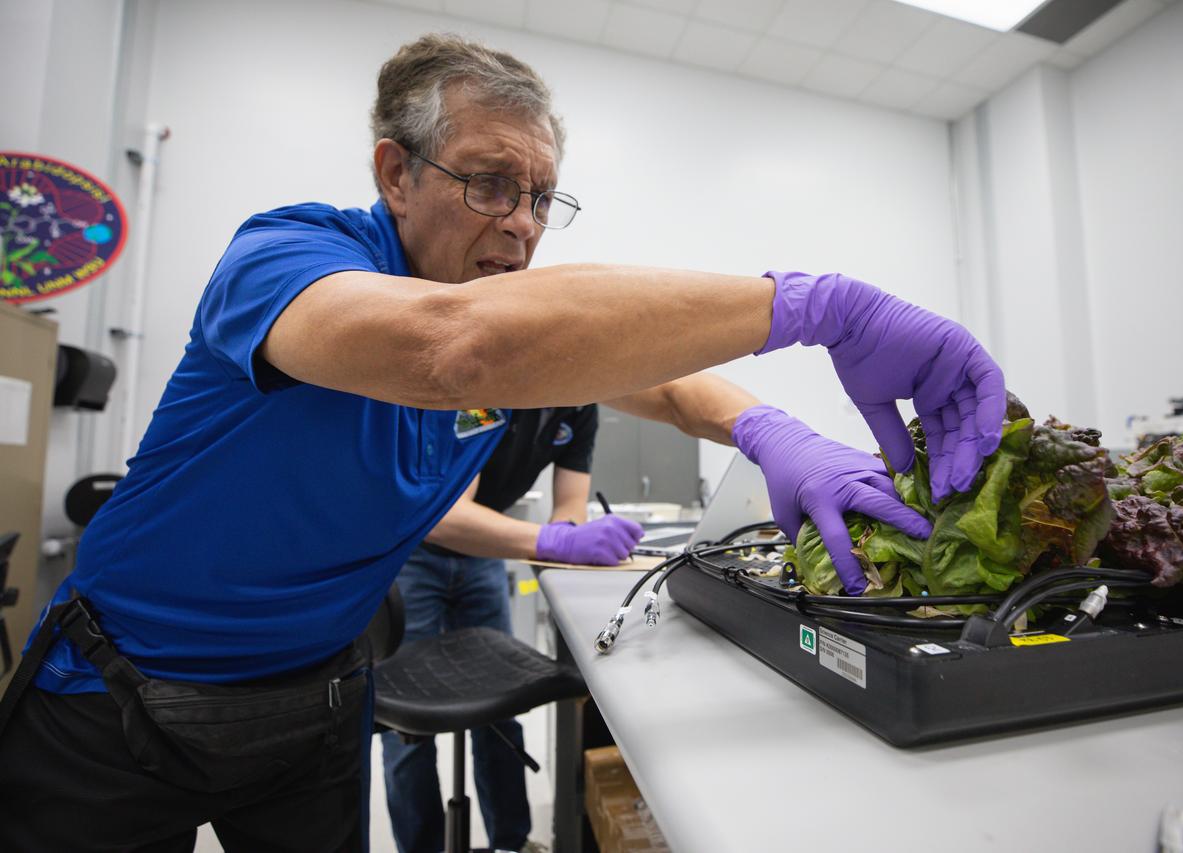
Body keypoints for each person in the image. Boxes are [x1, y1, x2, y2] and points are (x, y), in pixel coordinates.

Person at [0, 33, 1004, 852]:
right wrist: (813, 308)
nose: (520, 225)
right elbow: (455, 351)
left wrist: (760, 422)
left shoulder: (492, 310)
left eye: (538, 196)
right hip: (117, 701)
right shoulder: (288, 257)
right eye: (487, 184)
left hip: (312, 705)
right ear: (395, 173)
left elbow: (640, 373)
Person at [381, 402, 622, 853]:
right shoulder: (494, 393)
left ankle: (510, 843)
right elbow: (448, 511)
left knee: (499, 711)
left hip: (483, 553)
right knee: (408, 723)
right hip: (413, 549)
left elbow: (570, 501)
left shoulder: (581, 407)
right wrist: (554, 541)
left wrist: (570, 536)